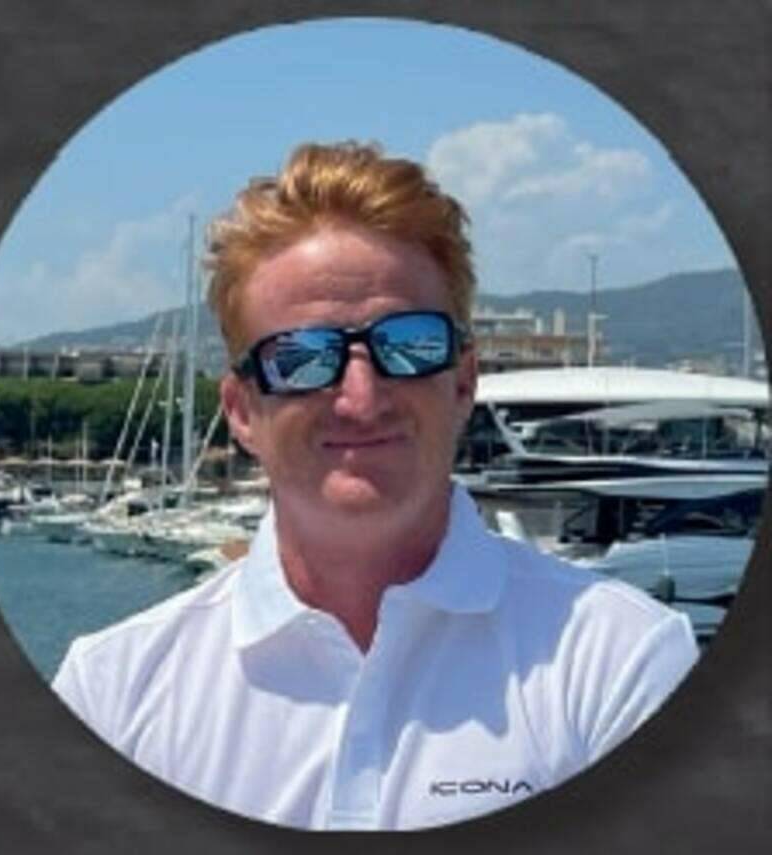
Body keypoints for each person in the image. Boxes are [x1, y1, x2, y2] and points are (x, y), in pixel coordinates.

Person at [52, 141, 699, 830]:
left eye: (409, 344)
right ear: (241, 411)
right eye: (301, 358)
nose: (361, 399)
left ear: (463, 381)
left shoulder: (620, 662)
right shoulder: (114, 693)